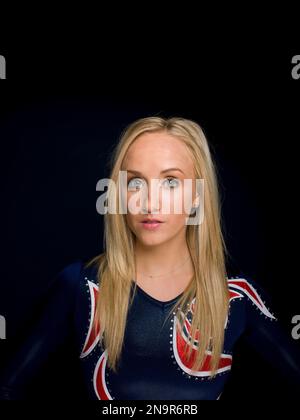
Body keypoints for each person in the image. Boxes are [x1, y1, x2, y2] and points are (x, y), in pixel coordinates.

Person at [1, 116, 299, 400]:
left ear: (197, 195)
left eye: (170, 182)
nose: (149, 201)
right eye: (135, 183)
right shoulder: (82, 285)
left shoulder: (236, 295)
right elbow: (7, 388)